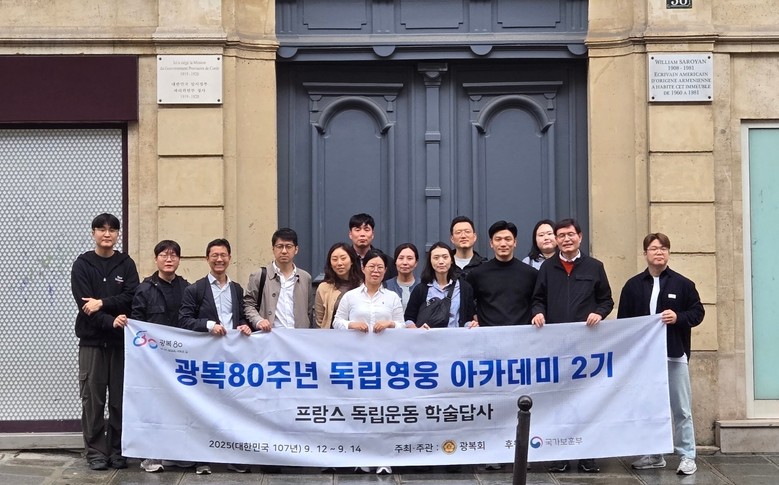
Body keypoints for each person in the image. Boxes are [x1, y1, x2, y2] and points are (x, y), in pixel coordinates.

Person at [531, 218, 614, 474]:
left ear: (580, 237)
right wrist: (538, 312)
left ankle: (588, 455)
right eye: (561, 236)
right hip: (555, 347)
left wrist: (599, 313)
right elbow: (537, 299)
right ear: (556, 240)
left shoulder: (595, 267)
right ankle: (561, 455)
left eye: (570, 235)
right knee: (559, 401)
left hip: (586, 347)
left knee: (586, 401)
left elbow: (606, 300)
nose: (566, 239)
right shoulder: (547, 268)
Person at [618, 233, 704, 476]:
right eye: (654, 248)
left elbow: (698, 313)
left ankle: (687, 455)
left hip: (674, 355)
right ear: (645, 253)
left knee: (681, 408)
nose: (659, 252)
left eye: (664, 248)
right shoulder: (633, 286)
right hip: (644, 359)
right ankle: (655, 454)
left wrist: (678, 318)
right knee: (649, 407)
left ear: (668, 253)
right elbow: (624, 322)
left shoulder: (683, 284)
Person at [70, 213, 139, 471]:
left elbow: (131, 296)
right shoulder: (83, 265)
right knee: (93, 399)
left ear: (118, 234)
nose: (107, 234)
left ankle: (119, 450)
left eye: (112, 230)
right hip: (93, 343)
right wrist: (110, 320)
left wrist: (103, 303)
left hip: (121, 344)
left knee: (120, 399)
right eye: (101, 229)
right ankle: (96, 451)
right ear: (93, 233)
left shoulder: (126, 264)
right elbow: (85, 306)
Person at [178, 238, 251, 474]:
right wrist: (209, 325)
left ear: (230, 258)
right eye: (215, 255)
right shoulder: (195, 289)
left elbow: (241, 317)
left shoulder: (236, 289)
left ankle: (234, 456)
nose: (219, 259)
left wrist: (244, 325)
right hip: (206, 359)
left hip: (233, 359)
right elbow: (184, 320)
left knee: (233, 406)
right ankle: (202, 458)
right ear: (207, 258)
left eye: (223, 255)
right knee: (204, 407)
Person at [332, 249, 404, 476]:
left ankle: (385, 458)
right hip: (357, 362)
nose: (375, 271)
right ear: (363, 268)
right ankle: (361, 457)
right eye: (371, 266)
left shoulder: (392, 297)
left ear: (385, 271)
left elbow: (402, 325)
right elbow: (336, 322)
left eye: (380, 267)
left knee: (383, 410)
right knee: (360, 409)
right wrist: (351, 325)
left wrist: (390, 325)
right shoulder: (351, 297)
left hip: (385, 363)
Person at [130, 240, 190, 474]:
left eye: (173, 255)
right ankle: (149, 455)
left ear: (179, 260)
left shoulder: (187, 288)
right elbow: (137, 323)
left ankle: (175, 454)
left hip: (179, 360)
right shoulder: (145, 289)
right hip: (152, 361)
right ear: (156, 259)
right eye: (164, 255)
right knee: (152, 407)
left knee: (177, 406)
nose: (169, 259)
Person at [466, 220, 538, 327]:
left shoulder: (530, 274)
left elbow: (539, 301)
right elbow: (465, 301)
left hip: (522, 334)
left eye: (508, 239)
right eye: (498, 239)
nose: (503, 244)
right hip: (488, 334)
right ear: (491, 243)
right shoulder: (477, 274)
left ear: (515, 242)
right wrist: (473, 317)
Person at [244, 228, 314, 331]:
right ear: (273, 249)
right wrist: (258, 321)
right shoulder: (259, 275)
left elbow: (309, 311)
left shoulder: (305, 277)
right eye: (280, 246)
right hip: (271, 335)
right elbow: (248, 304)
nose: (284, 251)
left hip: (298, 336)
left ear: (296, 249)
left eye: (288, 246)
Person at [405, 242, 478, 329]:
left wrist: (471, 325)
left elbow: (468, 319)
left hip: (456, 336)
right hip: (429, 337)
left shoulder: (465, 288)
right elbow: (409, 319)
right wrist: (417, 330)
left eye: (445, 257)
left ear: (451, 260)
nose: (441, 261)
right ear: (430, 261)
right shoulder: (420, 289)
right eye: (436, 258)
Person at [314, 242, 363, 328]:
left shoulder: (363, 286)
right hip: (331, 335)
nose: (339, 263)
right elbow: (319, 321)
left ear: (352, 261)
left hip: (359, 334)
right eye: (334, 259)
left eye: (343, 258)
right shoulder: (323, 288)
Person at [348, 212, 396, 279]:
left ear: (372, 234)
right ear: (350, 234)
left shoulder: (387, 262)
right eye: (357, 230)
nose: (362, 234)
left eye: (366, 230)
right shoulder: (344, 261)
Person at [384, 242, 420, 311]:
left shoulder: (423, 286)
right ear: (395, 261)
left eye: (409, 258)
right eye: (401, 258)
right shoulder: (386, 286)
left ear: (416, 262)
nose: (405, 263)